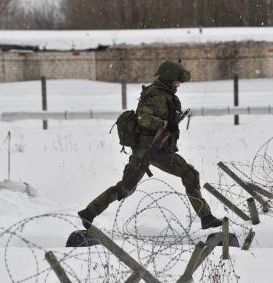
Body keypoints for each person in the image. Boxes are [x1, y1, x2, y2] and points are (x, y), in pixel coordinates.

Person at [78, 60, 223, 230]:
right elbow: (143, 119)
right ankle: (206, 217)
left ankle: (89, 212)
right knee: (188, 174)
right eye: (177, 81)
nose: (179, 85)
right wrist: (164, 124)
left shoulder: (166, 95)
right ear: (169, 79)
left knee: (126, 187)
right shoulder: (156, 95)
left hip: (155, 149)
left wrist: (170, 124)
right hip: (152, 149)